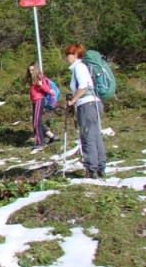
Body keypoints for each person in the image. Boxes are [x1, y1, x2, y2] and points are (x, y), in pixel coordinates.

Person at [65, 44, 107, 178]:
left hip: (87, 104)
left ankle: (91, 169)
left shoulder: (79, 67)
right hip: (93, 103)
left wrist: (72, 101)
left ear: (75, 54)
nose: (66, 57)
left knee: (88, 136)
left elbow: (83, 86)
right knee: (95, 136)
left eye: (68, 54)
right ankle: (100, 167)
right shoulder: (82, 67)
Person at [24, 62, 57, 150]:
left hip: (39, 100)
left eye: (32, 70)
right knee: (37, 122)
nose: (30, 72)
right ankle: (52, 136)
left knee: (36, 123)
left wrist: (42, 86)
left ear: (36, 69)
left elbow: (46, 88)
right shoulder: (34, 78)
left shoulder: (39, 77)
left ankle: (41, 143)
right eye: (29, 70)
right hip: (35, 101)